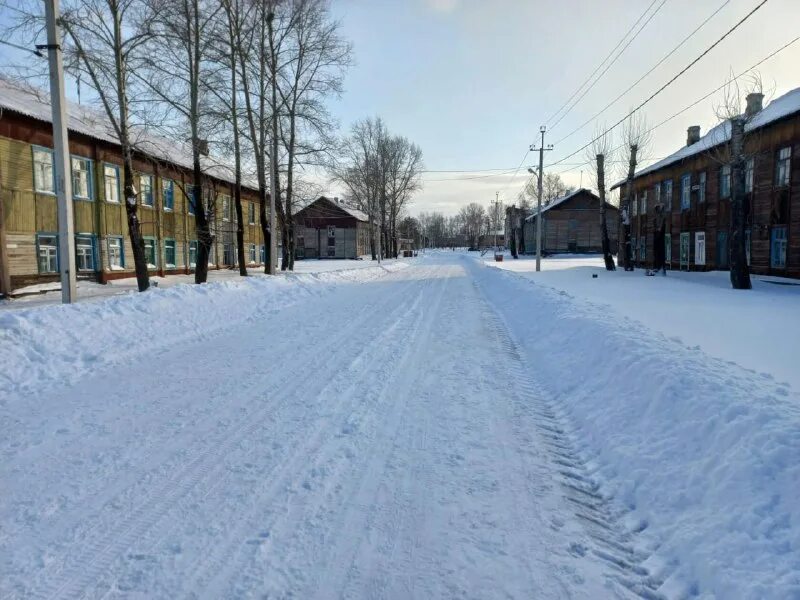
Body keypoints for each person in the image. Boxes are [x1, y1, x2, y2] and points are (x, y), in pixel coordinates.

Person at [653, 203, 666, 275]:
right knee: (656, 251)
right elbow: (655, 223)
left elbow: (661, 222)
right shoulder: (656, 216)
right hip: (657, 233)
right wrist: (656, 229)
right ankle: (657, 267)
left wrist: (659, 228)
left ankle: (660, 267)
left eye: (657, 208)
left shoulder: (661, 215)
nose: (656, 210)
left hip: (660, 233)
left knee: (660, 251)